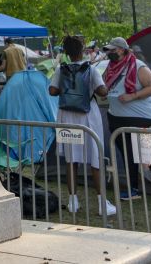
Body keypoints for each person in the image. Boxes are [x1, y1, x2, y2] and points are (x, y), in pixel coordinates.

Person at [48, 36, 117, 216]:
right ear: (83, 50)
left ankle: (73, 201)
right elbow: (102, 92)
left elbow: (52, 91)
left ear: (67, 53)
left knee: (71, 159)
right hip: (88, 116)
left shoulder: (60, 69)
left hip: (67, 116)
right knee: (95, 158)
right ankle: (102, 203)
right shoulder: (91, 69)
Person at [102, 37, 151, 207]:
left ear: (121, 50)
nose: (109, 53)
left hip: (142, 118)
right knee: (128, 156)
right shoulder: (111, 68)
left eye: (112, 50)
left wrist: (132, 96)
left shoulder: (138, 65)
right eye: (108, 50)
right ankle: (134, 189)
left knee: (150, 157)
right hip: (117, 118)